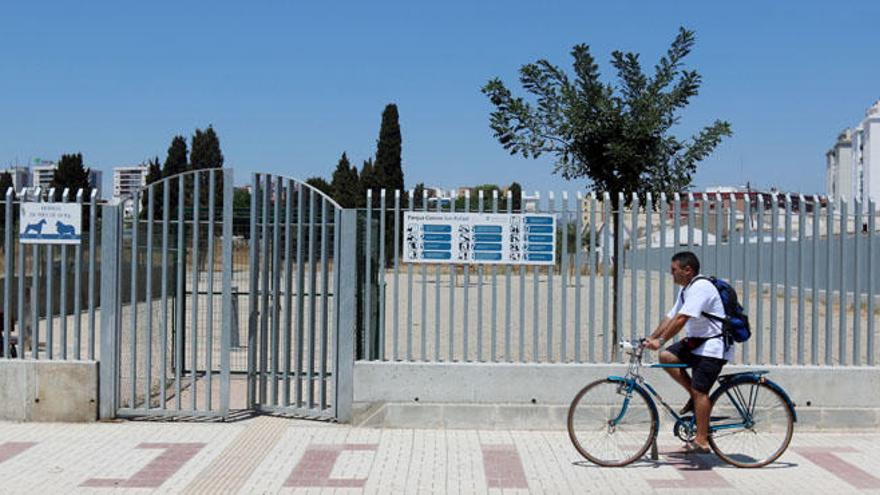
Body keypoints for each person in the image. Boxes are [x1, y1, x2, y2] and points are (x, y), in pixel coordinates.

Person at [645, 251, 734, 452]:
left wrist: (660, 340)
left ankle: (702, 440)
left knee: (700, 391)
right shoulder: (687, 289)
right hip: (697, 343)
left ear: (688, 270)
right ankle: (695, 399)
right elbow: (671, 317)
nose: (671, 274)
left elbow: (682, 319)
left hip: (713, 347)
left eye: (674, 270)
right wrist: (651, 337)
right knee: (666, 356)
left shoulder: (701, 287)